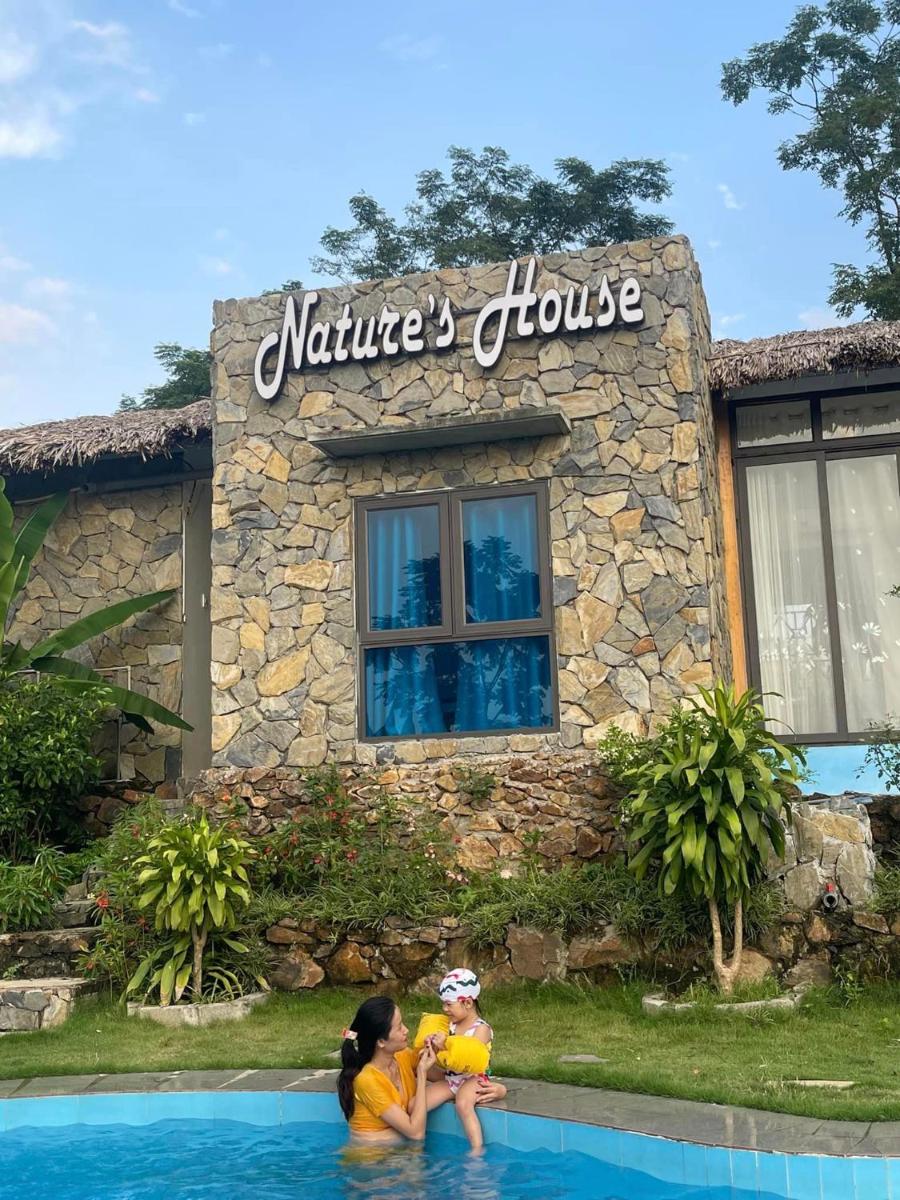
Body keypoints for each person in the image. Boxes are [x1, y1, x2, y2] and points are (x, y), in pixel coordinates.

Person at [424, 968, 506, 1152]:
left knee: (463, 1104)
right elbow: (447, 1059)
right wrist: (432, 1044)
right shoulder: (449, 1026)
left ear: (467, 1002)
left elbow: (470, 1055)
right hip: (451, 1078)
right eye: (443, 1004)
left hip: (474, 1078)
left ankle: (477, 1150)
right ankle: (418, 1141)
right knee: (418, 1103)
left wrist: (445, 1045)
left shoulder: (481, 1029)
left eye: (449, 1004)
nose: (444, 1009)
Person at [337, 995, 437, 1143]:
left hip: (393, 1149)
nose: (406, 1030)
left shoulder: (402, 1055)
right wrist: (421, 1075)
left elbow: (446, 1077)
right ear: (381, 1042)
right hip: (370, 1155)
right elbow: (416, 1134)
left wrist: (438, 1050)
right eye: (399, 1027)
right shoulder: (367, 1080)